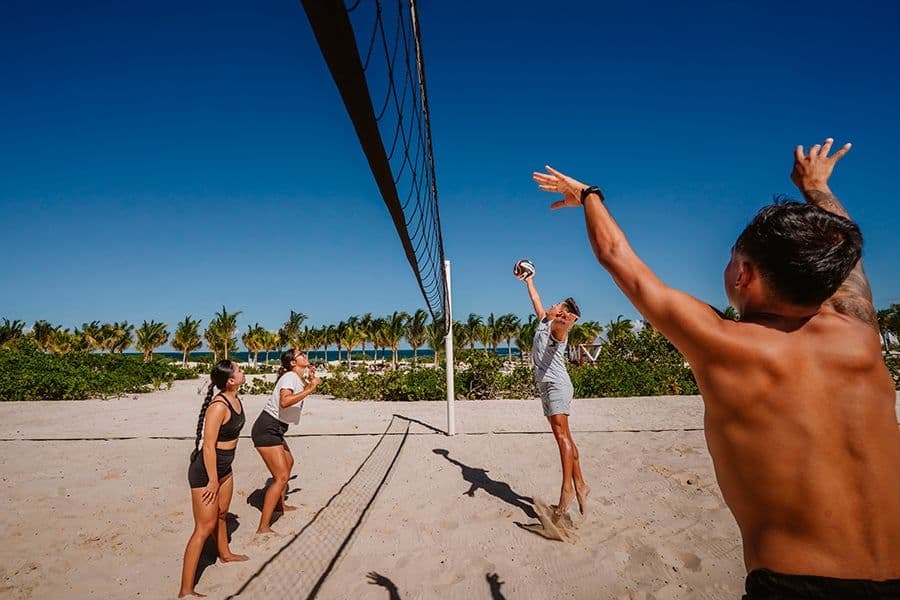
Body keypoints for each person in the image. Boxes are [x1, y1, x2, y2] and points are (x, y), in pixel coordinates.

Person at [533, 138, 900, 597]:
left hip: (797, 584)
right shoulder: (859, 333)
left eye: (731, 259)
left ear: (743, 274)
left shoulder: (725, 344)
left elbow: (617, 258)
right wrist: (817, 187)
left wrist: (589, 195)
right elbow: (846, 253)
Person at [516, 267, 591, 519]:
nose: (551, 304)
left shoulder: (557, 328)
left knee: (561, 437)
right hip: (547, 385)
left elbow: (561, 329)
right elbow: (536, 299)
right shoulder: (543, 320)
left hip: (557, 385)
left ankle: (567, 490)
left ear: (561, 313)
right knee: (565, 436)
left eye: (556, 305)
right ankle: (581, 485)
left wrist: (566, 321)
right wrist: (529, 280)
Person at [179, 360, 248, 598]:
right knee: (204, 527)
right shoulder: (218, 406)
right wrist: (212, 480)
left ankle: (225, 554)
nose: (243, 371)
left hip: (224, 468)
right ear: (230, 380)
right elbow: (208, 446)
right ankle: (186, 590)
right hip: (206, 472)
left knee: (221, 514)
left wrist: (221, 474)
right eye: (239, 370)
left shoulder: (235, 398)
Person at [251, 349, 321, 534]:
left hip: (277, 428)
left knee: (288, 463)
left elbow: (299, 391)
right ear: (293, 363)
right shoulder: (289, 377)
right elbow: (284, 402)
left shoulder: (295, 377)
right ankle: (263, 526)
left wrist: (310, 381)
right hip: (267, 428)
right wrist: (311, 388)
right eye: (301, 354)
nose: (304, 355)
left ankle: (279, 505)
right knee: (281, 477)